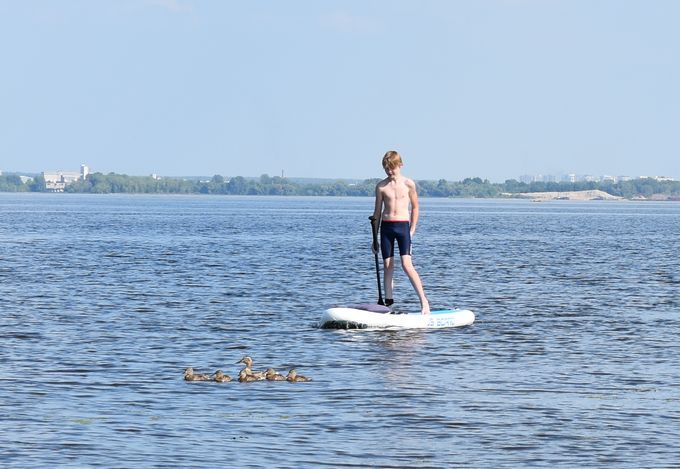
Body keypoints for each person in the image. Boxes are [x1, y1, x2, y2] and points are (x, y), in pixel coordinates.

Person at [371, 150, 430, 314]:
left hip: (403, 227)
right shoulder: (381, 187)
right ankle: (388, 305)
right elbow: (377, 213)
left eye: (392, 168)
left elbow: (416, 207)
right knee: (387, 266)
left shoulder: (408, 184)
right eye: (386, 169)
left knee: (406, 265)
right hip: (386, 228)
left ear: (400, 165)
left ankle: (424, 302)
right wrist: (374, 239)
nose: (389, 172)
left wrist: (412, 230)